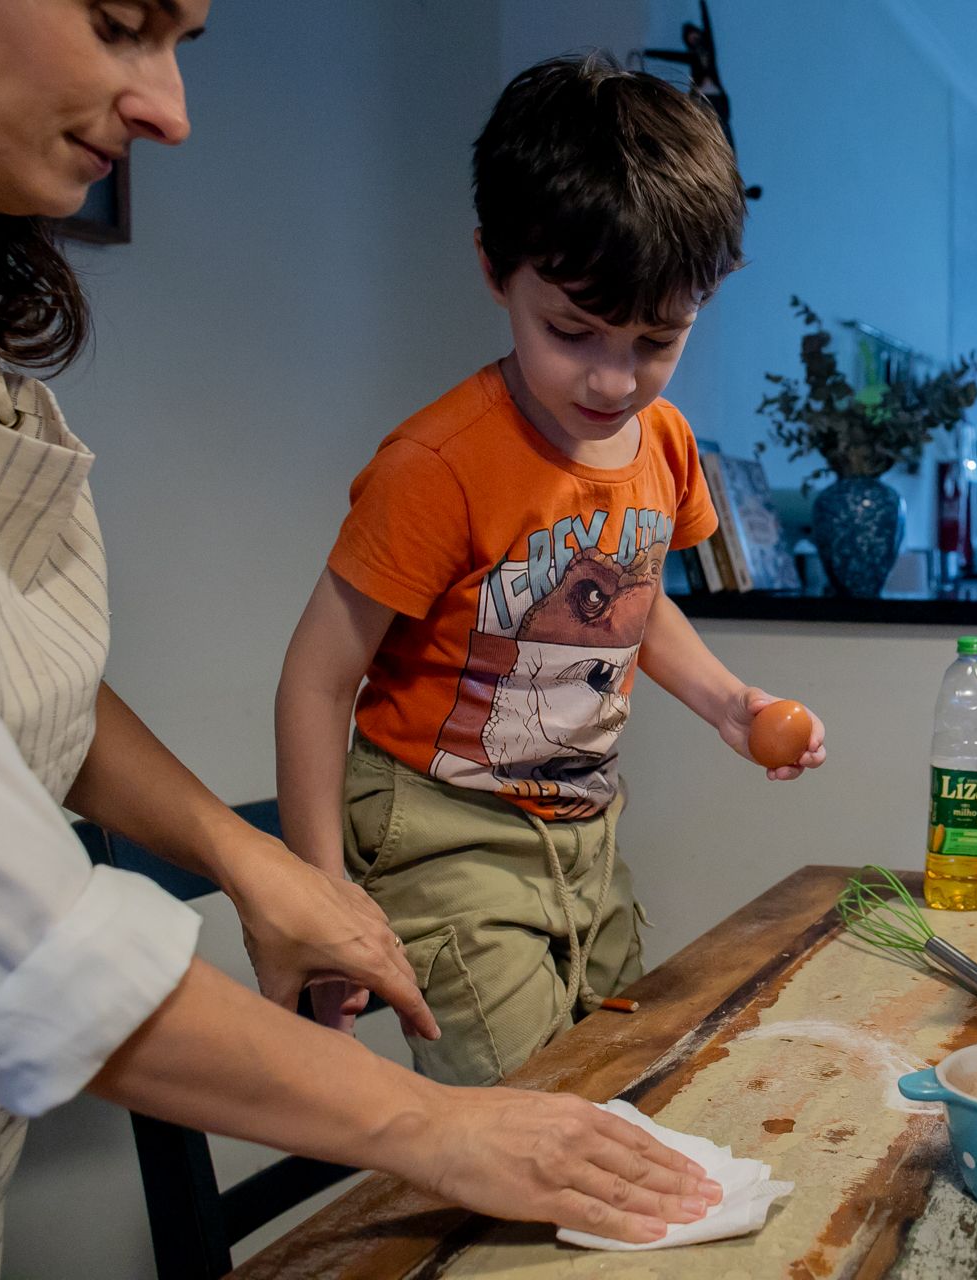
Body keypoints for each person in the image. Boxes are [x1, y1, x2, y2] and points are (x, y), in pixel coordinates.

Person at [0, 5, 719, 1275]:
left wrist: (252, 860)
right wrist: (428, 1120)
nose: (171, 111)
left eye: (183, 45)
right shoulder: (439, 459)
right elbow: (31, 949)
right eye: (117, 24)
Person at [275, 53, 825, 1088]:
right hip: (445, 835)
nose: (614, 378)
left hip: (582, 830)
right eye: (572, 331)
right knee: (533, 1119)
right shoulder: (438, 466)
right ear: (496, 268)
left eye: (657, 340)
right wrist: (321, 891)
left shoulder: (662, 443)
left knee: (625, 1074)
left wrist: (726, 701)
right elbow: (315, 679)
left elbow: (634, 594)